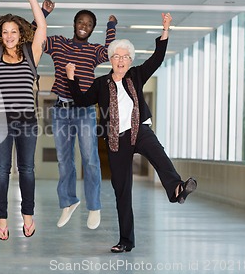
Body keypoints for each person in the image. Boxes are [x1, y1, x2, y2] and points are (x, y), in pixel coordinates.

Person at [66, 13, 197, 253]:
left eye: (125, 56)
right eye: (116, 56)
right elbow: (82, 100)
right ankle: (126, 240)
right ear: (111, 59)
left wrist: (165, 30)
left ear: (130, 60)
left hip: (141, 130)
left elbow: (157, 59)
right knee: (122, 190)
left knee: (160, 157)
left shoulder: (136, 75)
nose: (121, 59)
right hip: (117, 139)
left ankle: (176, 188)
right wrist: (72, 79)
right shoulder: (100, 84)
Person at [0, 0, 46, 240]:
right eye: (5, 32)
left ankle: (28, 217)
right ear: (0, 35)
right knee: (1, 170)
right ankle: (1, 219)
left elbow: (41, 28)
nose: (9, 36)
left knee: (27, 169)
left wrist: (32, 0)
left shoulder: (31, 55)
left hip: (27, 120)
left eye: (13, 31)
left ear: (21, 34)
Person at [43, 4, 118, 229]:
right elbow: (33, 38)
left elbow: (111, 51)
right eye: (81, 22)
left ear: (92, 29)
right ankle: (68, 201)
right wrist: (43, 13)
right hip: (60, 110)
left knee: (90, 159)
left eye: (89, 24)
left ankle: (94, 206)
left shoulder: (94, 51)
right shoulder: (58, 44)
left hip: (84, 111)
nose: (84, 26)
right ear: (74, 24)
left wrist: (111, 27)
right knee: (64, 160)